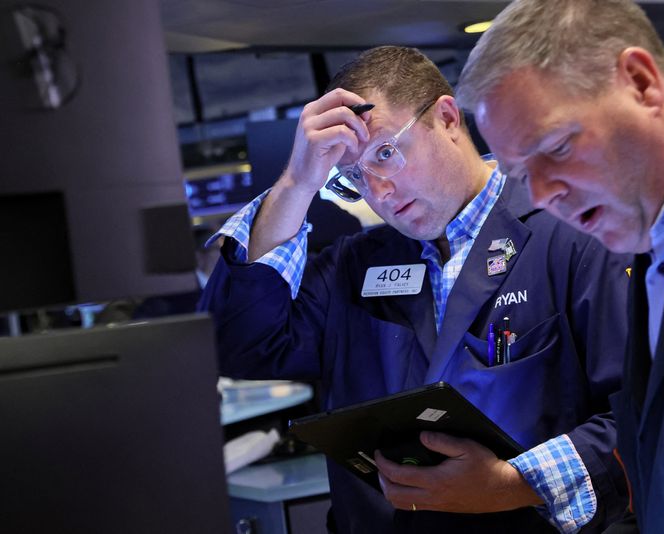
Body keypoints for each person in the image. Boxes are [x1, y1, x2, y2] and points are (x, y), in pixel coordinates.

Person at [200, 46, 631, 533]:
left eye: (386, 153)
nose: (378, 191)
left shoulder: (571, 234)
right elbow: (239, 345)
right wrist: (297, 184)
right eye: (354, 176)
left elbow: (637, 419)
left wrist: (511, 484)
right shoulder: (354, 264)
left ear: (447, 118)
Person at [456, 1, 664, 532]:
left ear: (640, 82)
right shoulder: (654, 245)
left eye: (557, 147)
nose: (544, 195)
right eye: (523, 174)